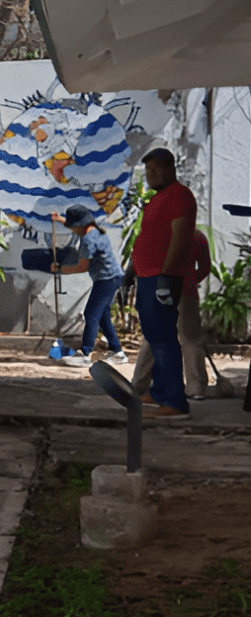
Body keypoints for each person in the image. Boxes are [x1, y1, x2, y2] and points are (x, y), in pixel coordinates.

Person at [129, 147, 196, 420]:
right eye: (147, 171)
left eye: (155, 170)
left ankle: (175, 401)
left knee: (164, 338)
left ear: (170, 168)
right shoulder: (156, 199)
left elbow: (180, 236)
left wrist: (166, 276)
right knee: (154, 336)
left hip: (162, 276)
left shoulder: (179, 195)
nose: (150, 175)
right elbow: (148, 236)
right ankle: (159, 392)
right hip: (147, 276)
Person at [133, 229, 212, 400]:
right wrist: (190, 281)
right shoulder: (197, 236)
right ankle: (196, 388)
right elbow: (205, 268)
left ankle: (139, 385)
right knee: (190, 339)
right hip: (187, 292)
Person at [49, 205, 127, 367]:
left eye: (72, 226)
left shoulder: (88, 240)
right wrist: (60, 219)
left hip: (106, 280)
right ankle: (118, 352)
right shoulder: (96, 230)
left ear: (79, 226)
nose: (72, 230)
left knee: (91, 314)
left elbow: (82, 267)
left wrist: (60, 270)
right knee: (103, 316)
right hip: (113, 278)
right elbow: (76, 225)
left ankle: (85, 354)